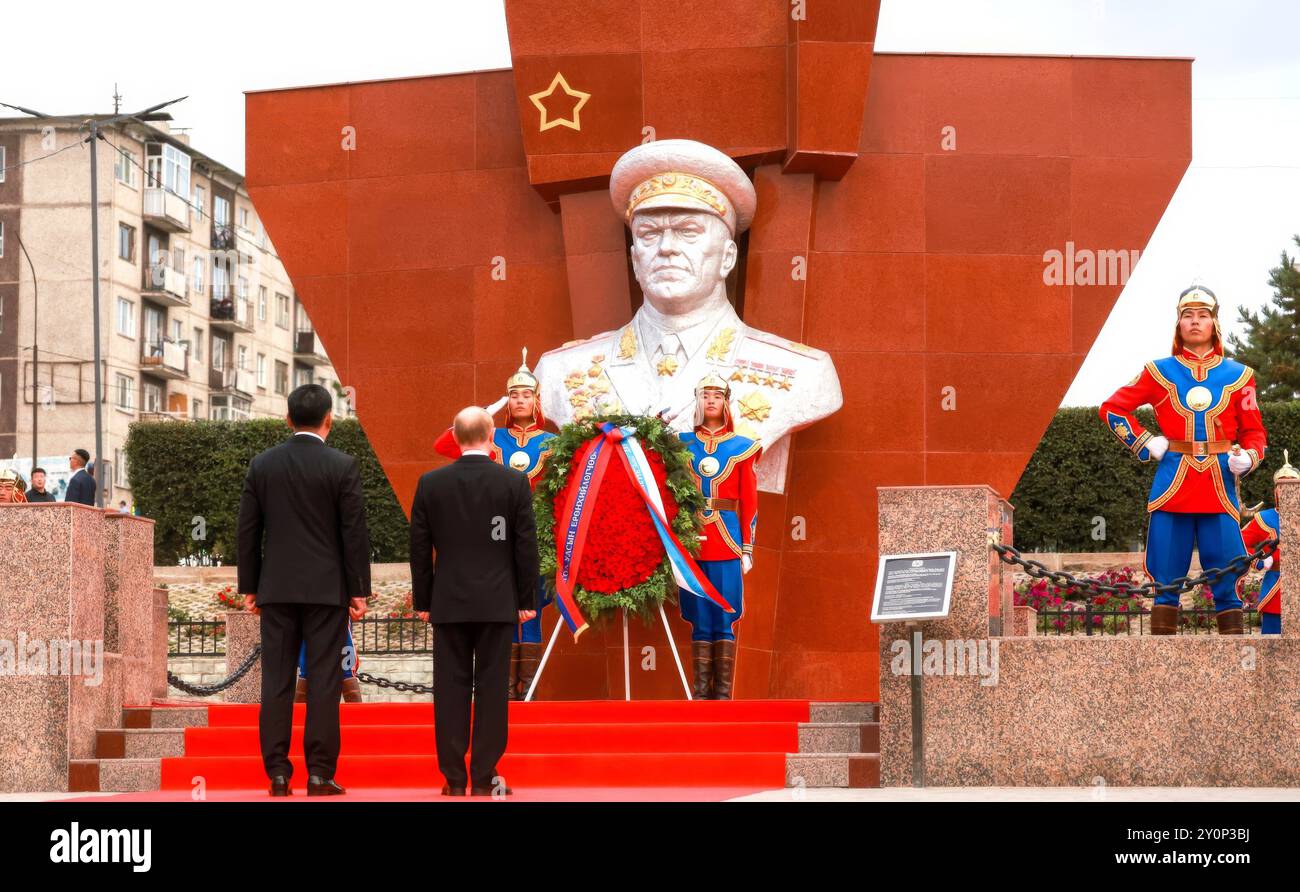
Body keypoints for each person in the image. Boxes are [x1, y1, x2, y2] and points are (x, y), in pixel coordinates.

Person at [532, 138, 842, 495]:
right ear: (635, 260)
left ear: (727, 256)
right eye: (649, 233)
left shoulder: (802, 372)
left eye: (687, 231)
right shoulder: (561, 370)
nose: (666, 248)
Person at [1099, 285, 1267, 635]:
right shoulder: (1158, 371)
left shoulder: (1241, 376)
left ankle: (1234, 660)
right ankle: (1162, 665)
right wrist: (1145, 441)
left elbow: (1254, 432)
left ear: (1214, 323)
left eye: (1202, 315)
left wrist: (1249, 457)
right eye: (1187, 315)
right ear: (1178, 323)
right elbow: (1113, 409)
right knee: (1166, 578)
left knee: (1228, 573)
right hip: (1172, 485)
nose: (1195, 322)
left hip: (1220, 488)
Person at [237, 384, 371, 797]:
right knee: (324, 681)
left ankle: (277, 774)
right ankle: (319, 774)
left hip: (276, 588)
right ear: (329, 419)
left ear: (288, 419)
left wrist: (250, 587)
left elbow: (248, 531)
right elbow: (354, 534)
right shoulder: (342, 465)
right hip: (326, 591)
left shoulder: (263, 465)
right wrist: (358, 590)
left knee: (276, 681)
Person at [410, 406, 539, 796]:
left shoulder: (430, 484)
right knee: (491, 688)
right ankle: (484, 776)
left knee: (449, 689)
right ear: (491, 435)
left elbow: (419, 548)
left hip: (448, 603)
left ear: (456, 437)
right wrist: (526, 598)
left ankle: (452, 778)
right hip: (498, 601)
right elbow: (524, 547)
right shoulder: (513, 483)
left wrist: (424, 599)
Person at [433, 349, 555, 700]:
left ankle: (526, 692)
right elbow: (444, 445)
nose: (519, 400)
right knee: (499, 613)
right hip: (493, 538)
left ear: (536, 401)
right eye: (513, 395)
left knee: (530, 612)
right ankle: (500, 690)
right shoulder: (491, 439)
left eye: (526, 395)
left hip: (534, 537)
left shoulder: (551, 443)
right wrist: (483, 413)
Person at [678, 373, 759, 698]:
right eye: (705, 394)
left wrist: (747, 547)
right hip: (692, 541)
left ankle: (722, 695)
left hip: (726, 538)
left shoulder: (743, 447)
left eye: (717, 395)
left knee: (724, 615)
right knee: (699, 617)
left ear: (726, 402)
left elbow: (750, 500)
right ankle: (700, 693)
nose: (711, 400)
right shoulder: (681, 444)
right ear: (697, 401)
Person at [1239, 453, 1299, 635]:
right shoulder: (1263, 519)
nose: (1286, 491)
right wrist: (1260, 561)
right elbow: (1239, 543)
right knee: (1272, 642)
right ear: (1275, 491)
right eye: (1281, 486)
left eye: (1293, 485)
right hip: (1276, 589)